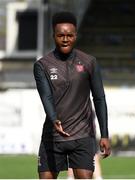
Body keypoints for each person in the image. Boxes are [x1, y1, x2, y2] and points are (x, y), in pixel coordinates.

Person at [33, 11, 111, 179]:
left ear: (76, 36)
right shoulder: (42, 65)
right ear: (53, 36)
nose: (65, 39)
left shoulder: (89, 62)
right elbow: (45, 96)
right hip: (52, 136)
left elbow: (99, 98)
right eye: (61, 35)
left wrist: (104, 134)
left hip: (82, 136)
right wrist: (54, 119)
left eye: (69, 35)